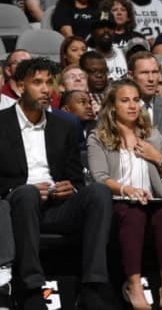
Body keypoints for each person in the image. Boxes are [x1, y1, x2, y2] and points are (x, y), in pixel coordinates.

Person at [0, 58, 119, 310]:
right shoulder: (1, 123)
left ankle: (93, 287)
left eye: (49, 83)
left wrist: (72, 188)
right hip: (16, 205)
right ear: (21, 87)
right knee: (26, 195)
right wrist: (18, 190)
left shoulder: (65, 125)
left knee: (98, 192)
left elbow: (76, 177)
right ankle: (31, 288)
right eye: (37, 83)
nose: (46, 89)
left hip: (56, 205)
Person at [87, 79, 162, 310]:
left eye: (136, 100)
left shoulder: (151, 135)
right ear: (112, 106)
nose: (132, 106)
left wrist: (156, 157)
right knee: (133, 214)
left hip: (151, 201)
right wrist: (126, 189)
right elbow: (99, 178)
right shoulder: (98, 138)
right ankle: (134, 286)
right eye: (125, 100)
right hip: (117, 203)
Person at [86, 9, 128, 80]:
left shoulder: (122, 53)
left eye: (110, 26)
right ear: (92, 31)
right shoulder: (86, 54)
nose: (106, 30)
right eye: (101, 26)